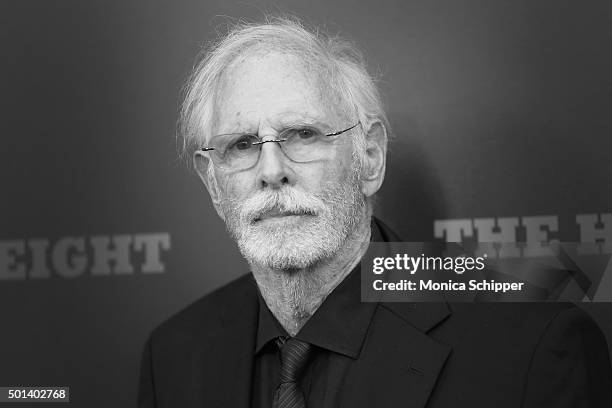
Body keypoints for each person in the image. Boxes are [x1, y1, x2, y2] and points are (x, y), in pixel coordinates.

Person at [138, 16, 612, 408]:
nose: (271, 170)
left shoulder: (531, 348)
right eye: (241, 144)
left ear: (370, 157)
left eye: (303, 134)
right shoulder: (174, 356)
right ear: (213, 181)